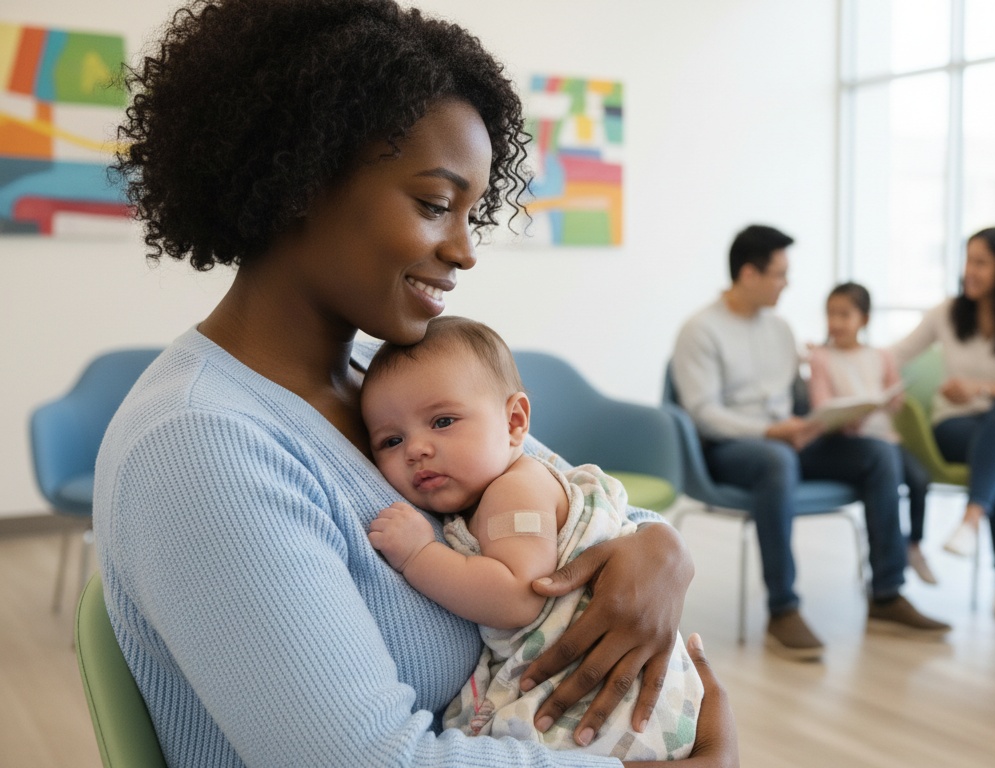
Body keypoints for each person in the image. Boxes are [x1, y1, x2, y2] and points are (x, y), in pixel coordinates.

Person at [93, 1, 735, 766]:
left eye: (472, 214)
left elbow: (555, 492)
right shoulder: (199, 446)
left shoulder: (381, 392)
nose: (464, 252)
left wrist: (660, 549)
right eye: (435, 205)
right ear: (303, 176)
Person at [361, 316, 702, 760]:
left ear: (515, 422)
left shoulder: (513, 491)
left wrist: (418, 553)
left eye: (442, 421)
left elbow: (518, 596)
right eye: (391, 441)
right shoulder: (497, 485)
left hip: (611, 711)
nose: (416, 449)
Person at [671, 224, 950, 662]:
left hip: (788, 437)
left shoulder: (780, 328)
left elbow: (797, 396)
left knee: (879, 455)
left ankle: (886, 594)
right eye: (780, 274)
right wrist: (770, 431)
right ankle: (783, 610)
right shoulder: (700, 331)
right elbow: (704, 414)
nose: (787, 283)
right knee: (778, 460)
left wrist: (834, 414)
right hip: (732, 448)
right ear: (749, 274)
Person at [888, 227, 995, 621]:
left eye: (981, 262)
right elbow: (895, 355)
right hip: (959, 429)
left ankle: (972, 517)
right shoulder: (947, 313)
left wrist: (977, 388)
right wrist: (839, 353)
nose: (970, 271)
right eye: (968, 261)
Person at [807, 282, 937, 584]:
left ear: (863, 318)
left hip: (885, 439)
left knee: (919, 480)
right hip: (848, 442)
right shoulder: (822, 358)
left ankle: (913, 545)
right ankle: (885, 566)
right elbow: (821, 406)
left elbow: (894, 396)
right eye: (831, 314)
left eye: (844, 314)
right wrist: (845, 418)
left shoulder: (881, 356)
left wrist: (892, 400)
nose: (836, 322)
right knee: (882, 474)